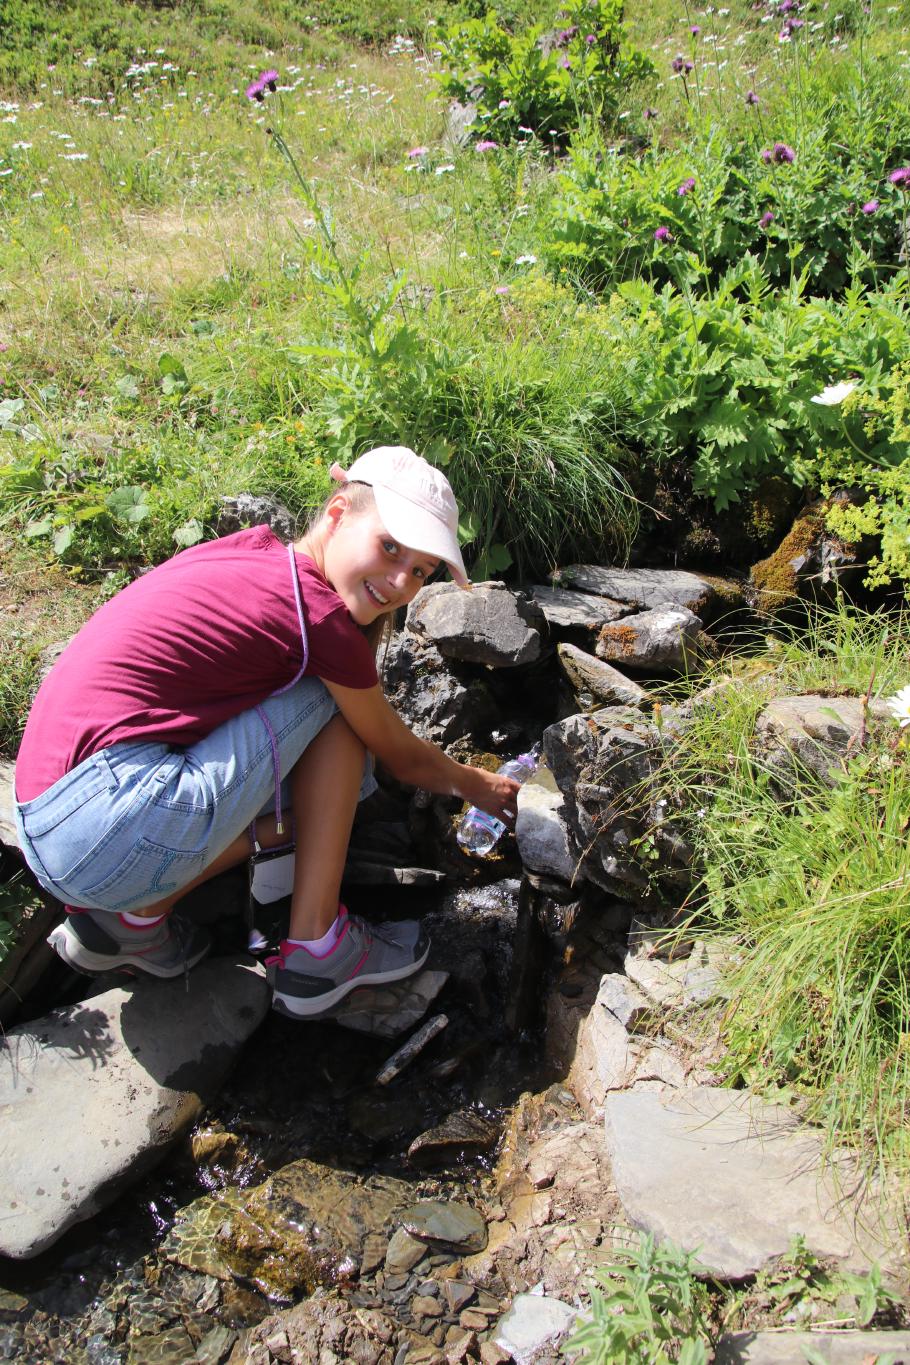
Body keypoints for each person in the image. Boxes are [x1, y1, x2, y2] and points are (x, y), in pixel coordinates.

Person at [13, 446, 520, 1019]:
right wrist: (478, 784)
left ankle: (131, 920)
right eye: (390, 547)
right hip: (115, 822)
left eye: (421, 571)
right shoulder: (322, 620)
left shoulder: (251, 554)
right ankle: (317, 946)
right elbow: (403, 758)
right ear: (337, 513)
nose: (402, 580)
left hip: (48, 818)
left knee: (307, 767)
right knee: (336, 707)